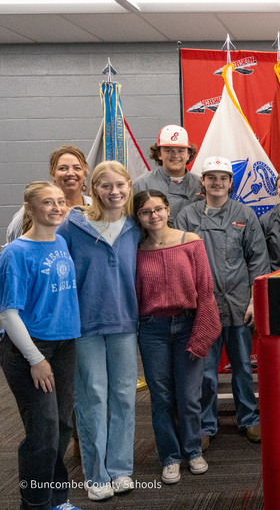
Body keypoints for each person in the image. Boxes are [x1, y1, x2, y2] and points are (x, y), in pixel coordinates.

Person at [56, 161, 140, 500]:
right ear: (94, 188)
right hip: (85, 326)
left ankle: (120, 469)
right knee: (92, 398)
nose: (114, 192)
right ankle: (96, 475)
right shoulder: (72, 226)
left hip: (125, 325)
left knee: (123, 398)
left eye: (120, 185)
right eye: (106, 186)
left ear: (129, 186)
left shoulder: (135, 227)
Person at [175, 157, 269, 450]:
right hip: (202, 306)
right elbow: (179, 261)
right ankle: (205, 424)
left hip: (239, 304)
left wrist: (255, 299)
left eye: (223, 178)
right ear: (202, 181)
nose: (217, 183)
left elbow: (258, 259)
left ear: (231, 182)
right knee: (205, 371)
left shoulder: (244, 214)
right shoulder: (187, 216)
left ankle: (249, 419)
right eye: (211, 177)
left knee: (242, 365)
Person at [0, 182, 82, 510]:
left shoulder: (60, 241)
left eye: (60, 201)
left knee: (61, 429)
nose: (56, 207)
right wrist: (35, 358)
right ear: (30, 209)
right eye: (47, 202)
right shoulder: (15, 253)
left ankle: (57, 500)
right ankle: (34, 505)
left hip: (64, 346)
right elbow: (8, 314)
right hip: (30, 351)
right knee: (43, 433)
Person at [134, 189, 221, 485]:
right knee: (161, 398)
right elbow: (134, 296)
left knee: (189, 397)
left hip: (187, 325)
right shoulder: (137, 250)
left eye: (158, 209)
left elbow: (206, 291)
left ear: (168, 210)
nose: (153, 215)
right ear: (139, 217)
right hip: (152, 329)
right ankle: (169, 457)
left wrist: (201, 336)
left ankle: (193, 450)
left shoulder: (191, 242)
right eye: (146, 212)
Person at [6, 145, 93, 245]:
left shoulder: (96, 207)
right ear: (53, 174)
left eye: (77, 168)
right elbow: (13, 240)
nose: (70, 173)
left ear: (85, 174)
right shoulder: (36, 208)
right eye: (63, 168)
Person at [132, 124, 202, 224]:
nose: (175, 155)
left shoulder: (200, 184)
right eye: (168, 150)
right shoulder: (141, 184)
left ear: (188, 154)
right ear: (159, 154)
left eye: (181, 151)